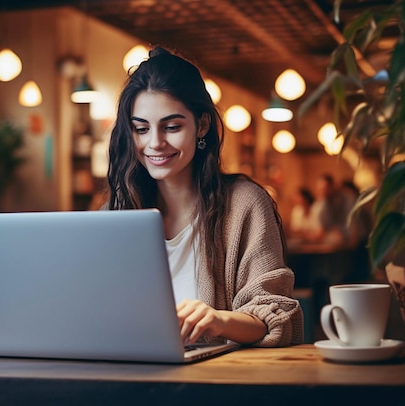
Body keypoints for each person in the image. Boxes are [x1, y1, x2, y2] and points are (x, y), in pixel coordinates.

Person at [103, 46, 303, 347]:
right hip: (131, 375)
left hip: (215, 384)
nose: (155, 143)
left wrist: (219, 320)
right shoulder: (116, 212)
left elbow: (279, 315)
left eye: (172, 127)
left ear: (203, 125)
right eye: (141, 129)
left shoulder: (244, 205)